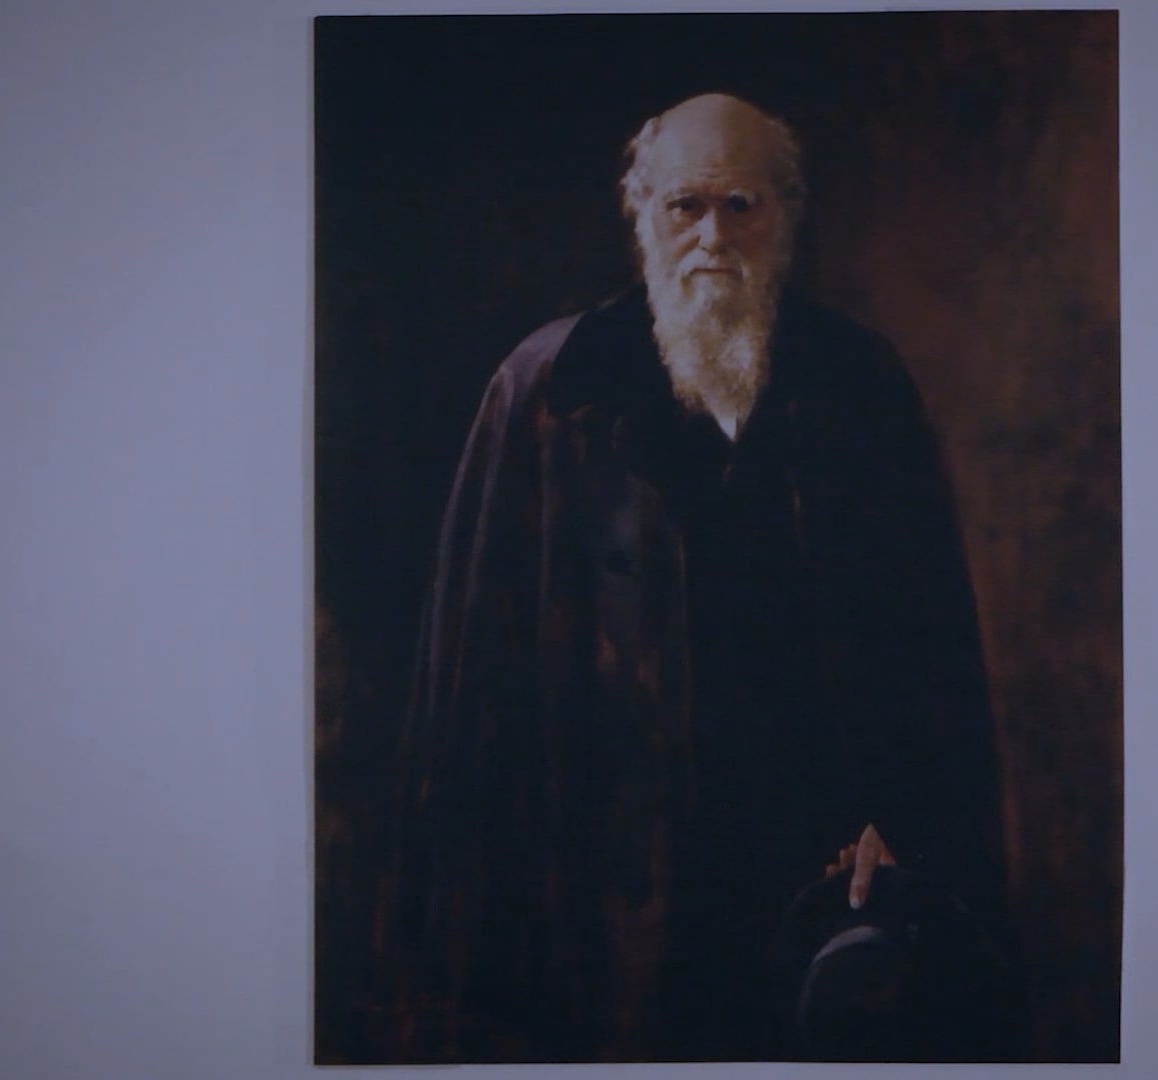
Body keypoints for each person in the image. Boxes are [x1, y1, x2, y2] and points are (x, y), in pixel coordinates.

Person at [385, 93, 1011, 1063]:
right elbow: (468, 700)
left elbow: (931, 666)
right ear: (642, 215)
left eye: (741, 206)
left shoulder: (860, 387)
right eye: (686, 206)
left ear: (784, 218)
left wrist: (904, 824)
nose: (713, 237)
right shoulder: (548, 391)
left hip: (809, 889)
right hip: (600, 899)